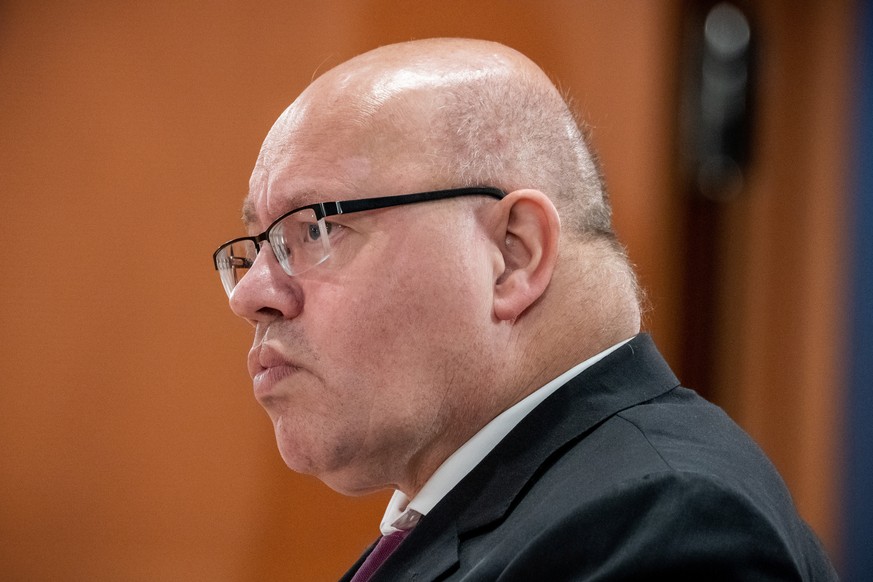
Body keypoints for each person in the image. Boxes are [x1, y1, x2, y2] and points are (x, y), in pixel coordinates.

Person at [213, 38, 837, 580]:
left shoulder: (664, 526)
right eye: (259, 245)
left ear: (513, 254)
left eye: (316, 230)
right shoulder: (520, 505)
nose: (251, 294)